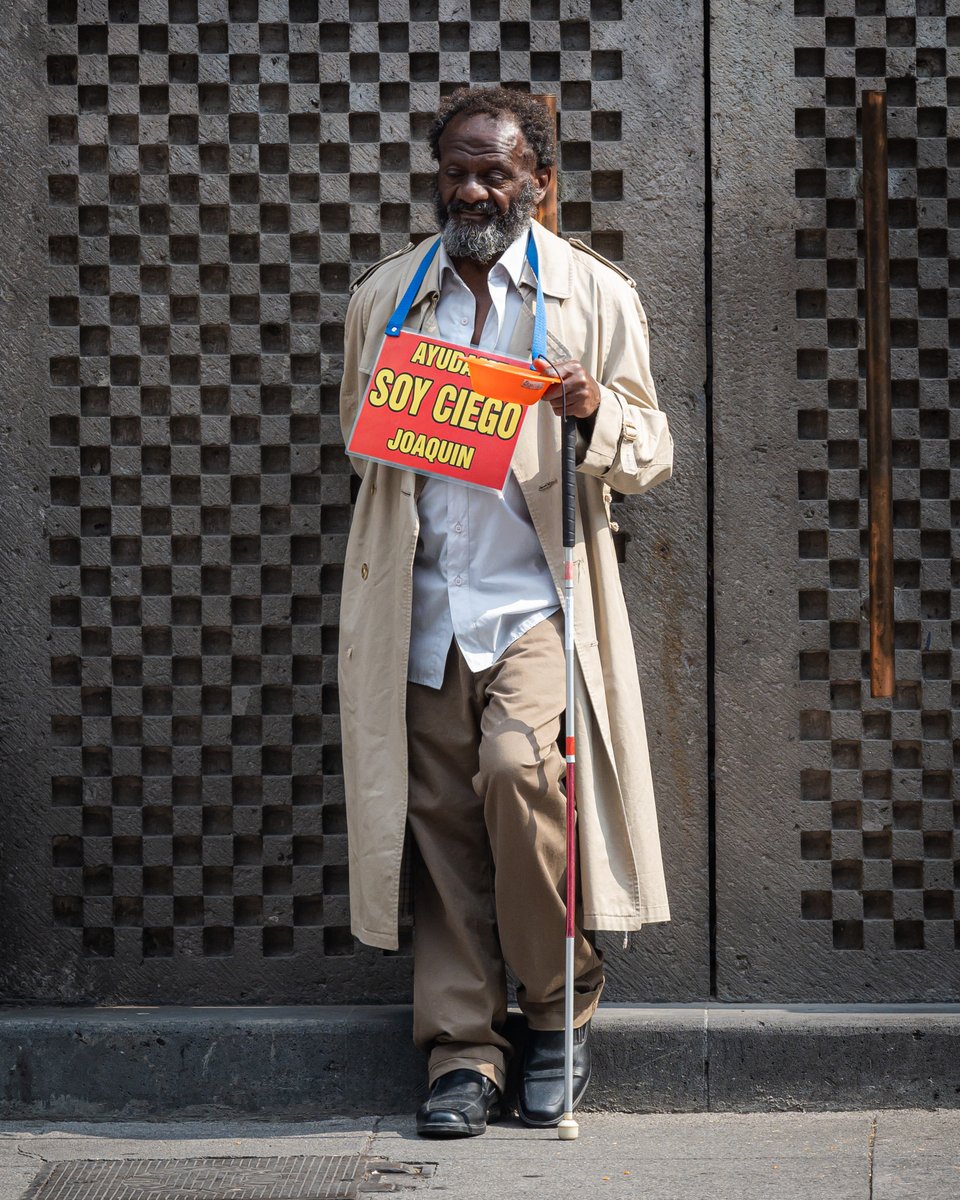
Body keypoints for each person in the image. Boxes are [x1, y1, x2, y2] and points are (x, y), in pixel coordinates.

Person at [337, 86, 673, 1137]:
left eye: (494, 171)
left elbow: (653, 447)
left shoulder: (591, 296)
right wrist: (408, 414)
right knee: (436, 824)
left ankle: (556, 1009)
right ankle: (461, 1053)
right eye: (456, 170)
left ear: (540, 181)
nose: (473, 189)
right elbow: (360, 439)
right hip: (425, 604)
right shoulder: (391, 297)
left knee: (522, 776)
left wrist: (592, 411)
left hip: (538, 601)